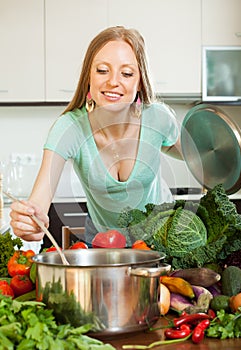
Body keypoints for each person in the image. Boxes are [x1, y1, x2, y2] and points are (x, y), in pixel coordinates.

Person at [9, 26, 183, 247]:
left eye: (127, 73)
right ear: (88, 76)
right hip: (105, 245)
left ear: (139, 82)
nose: (113, 81)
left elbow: (200, 156)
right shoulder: (70, 128)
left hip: (162, 239)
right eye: (102, 70)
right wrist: (30, 222)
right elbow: (38, 203)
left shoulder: (158, 118)